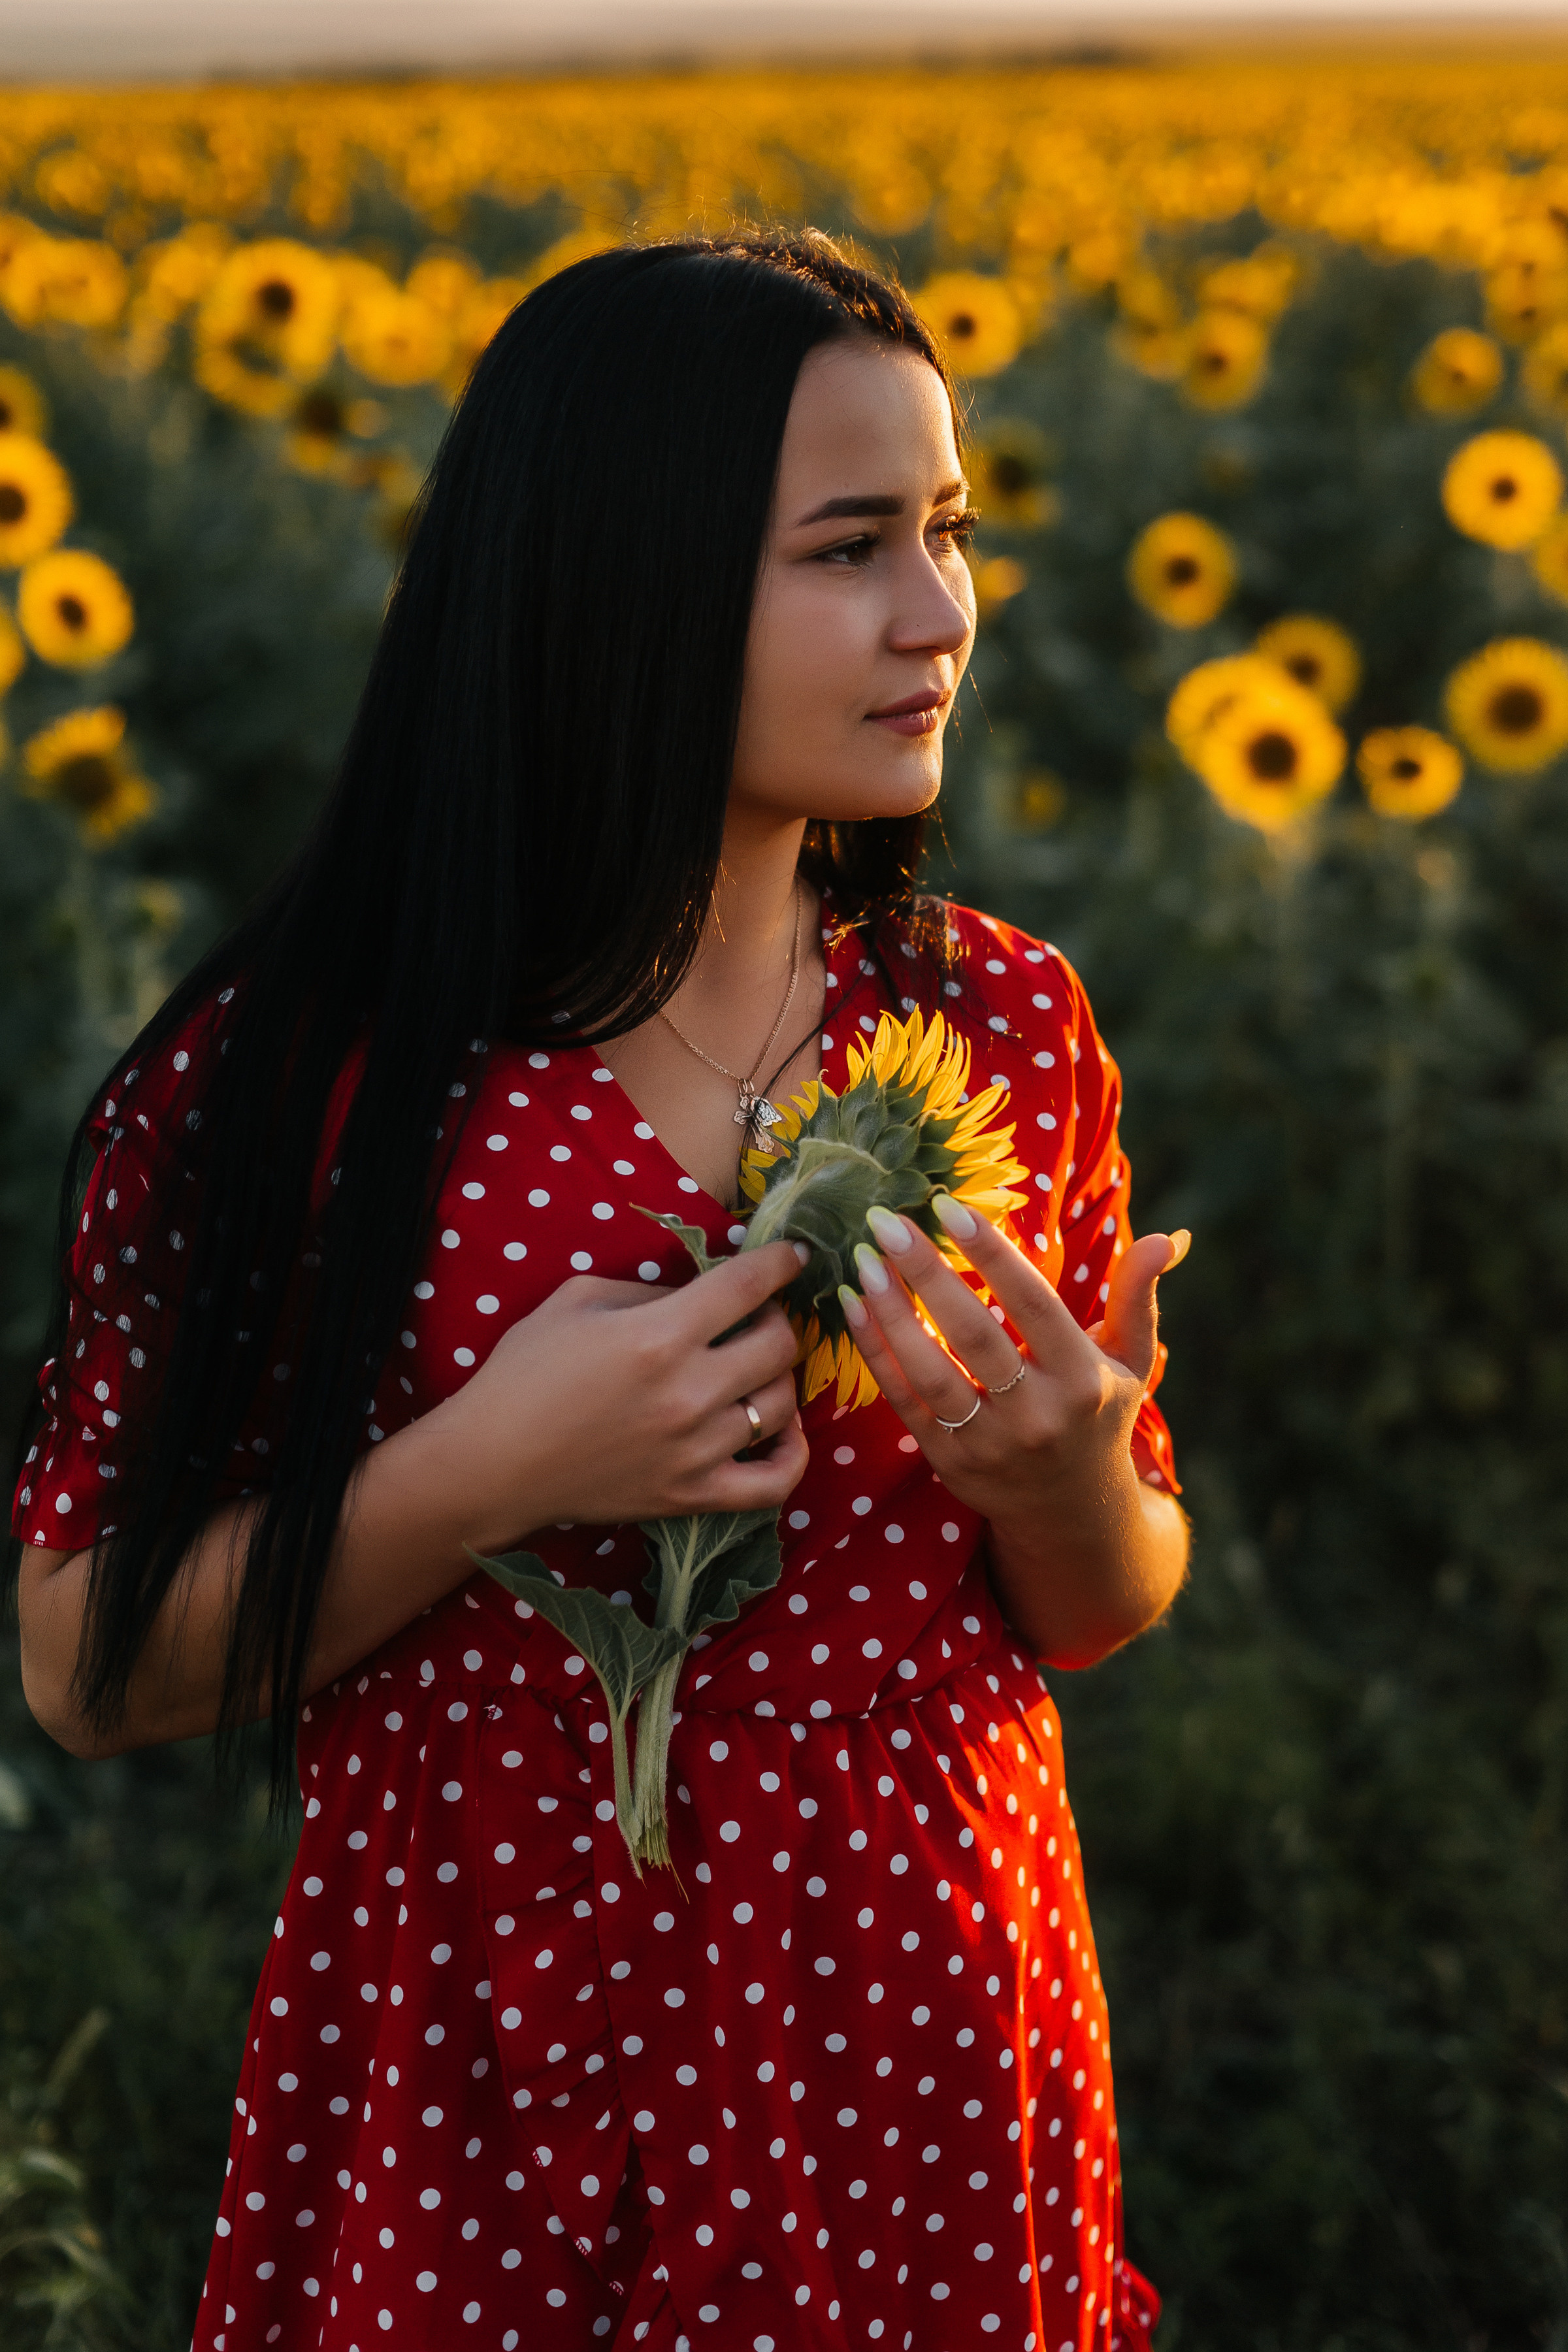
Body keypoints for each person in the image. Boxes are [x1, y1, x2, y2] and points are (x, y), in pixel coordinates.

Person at [12, 230, 1188, 2352]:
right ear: (619, 581)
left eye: (947, 531)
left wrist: (1063, 1473)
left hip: (914, 2055)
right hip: (483, 2045)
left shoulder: (1001, 1026)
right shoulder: (312, 1080)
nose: (941, 614)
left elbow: (1098, 1602)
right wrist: (486, 1470)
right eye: (850, 549)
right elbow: (88, 1668)